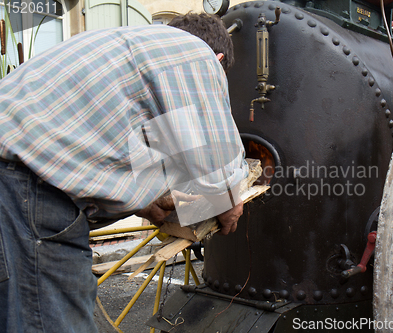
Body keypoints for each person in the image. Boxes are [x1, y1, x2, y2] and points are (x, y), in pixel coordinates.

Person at [0, 12, 247, 333]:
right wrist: (231, 205)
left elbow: (103, 149)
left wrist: (145, 202)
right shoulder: (196, 54)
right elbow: (222, 177)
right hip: (26, 188)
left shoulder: (130, 51)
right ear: (219, 59)